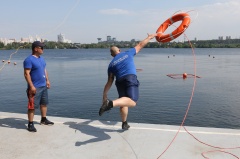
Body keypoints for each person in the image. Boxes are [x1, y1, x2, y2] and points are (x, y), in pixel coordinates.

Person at [99, 33, 157, 130]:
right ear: (119, 50)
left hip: (119, 82)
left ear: (112, 55)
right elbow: (141, 45)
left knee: (123, 102)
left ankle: (124, 123)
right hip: (129, 78)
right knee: (133, 101)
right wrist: (149, 37)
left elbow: (109, 82)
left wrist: (104, 95)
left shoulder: (111, 65)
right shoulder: (127, 53)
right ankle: (110, 104)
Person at [23, 41, 54, 132]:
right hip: (35, 87)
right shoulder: (28, 60)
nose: (43, 49)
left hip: (43, 85)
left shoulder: (41, 58)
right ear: (36, 49)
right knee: (32, 106)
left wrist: (47, 80)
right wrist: (31, 86)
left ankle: (43, 119)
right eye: (41, 48)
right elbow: (26, 74)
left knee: (44, 103)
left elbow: (44, 70)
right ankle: (30, 124)